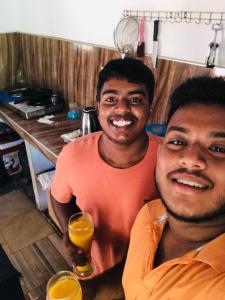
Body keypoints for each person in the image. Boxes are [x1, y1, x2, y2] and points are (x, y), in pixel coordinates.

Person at [50, 58, 160, 280]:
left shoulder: (169, 160)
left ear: (150, 109)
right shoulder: (72, 155)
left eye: (136, 99)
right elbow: (59, 199)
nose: (122, 109)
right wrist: (68, 232)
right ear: (98, 105)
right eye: (111, 99)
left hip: (147, 279)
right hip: (93, 273)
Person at [123, 76, 225, 299]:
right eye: (178, 142)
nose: (190, 159)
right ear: (159, 153)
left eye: (218, 148)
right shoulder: (149, 214)